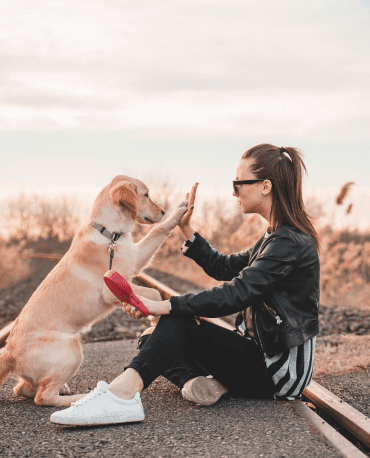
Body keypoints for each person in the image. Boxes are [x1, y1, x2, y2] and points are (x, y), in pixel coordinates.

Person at [50, 143, 321, 426]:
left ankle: (121, 396)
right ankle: (202, 384)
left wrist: (164, 305)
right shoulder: (274, 237)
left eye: (238, 183)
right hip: (258, 355)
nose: (234, 192)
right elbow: (224, 267)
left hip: (278, 371)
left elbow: (236, 293)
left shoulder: (288, 242)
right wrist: (186, 228)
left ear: (265, 186)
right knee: (152, 340)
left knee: (174, 324)